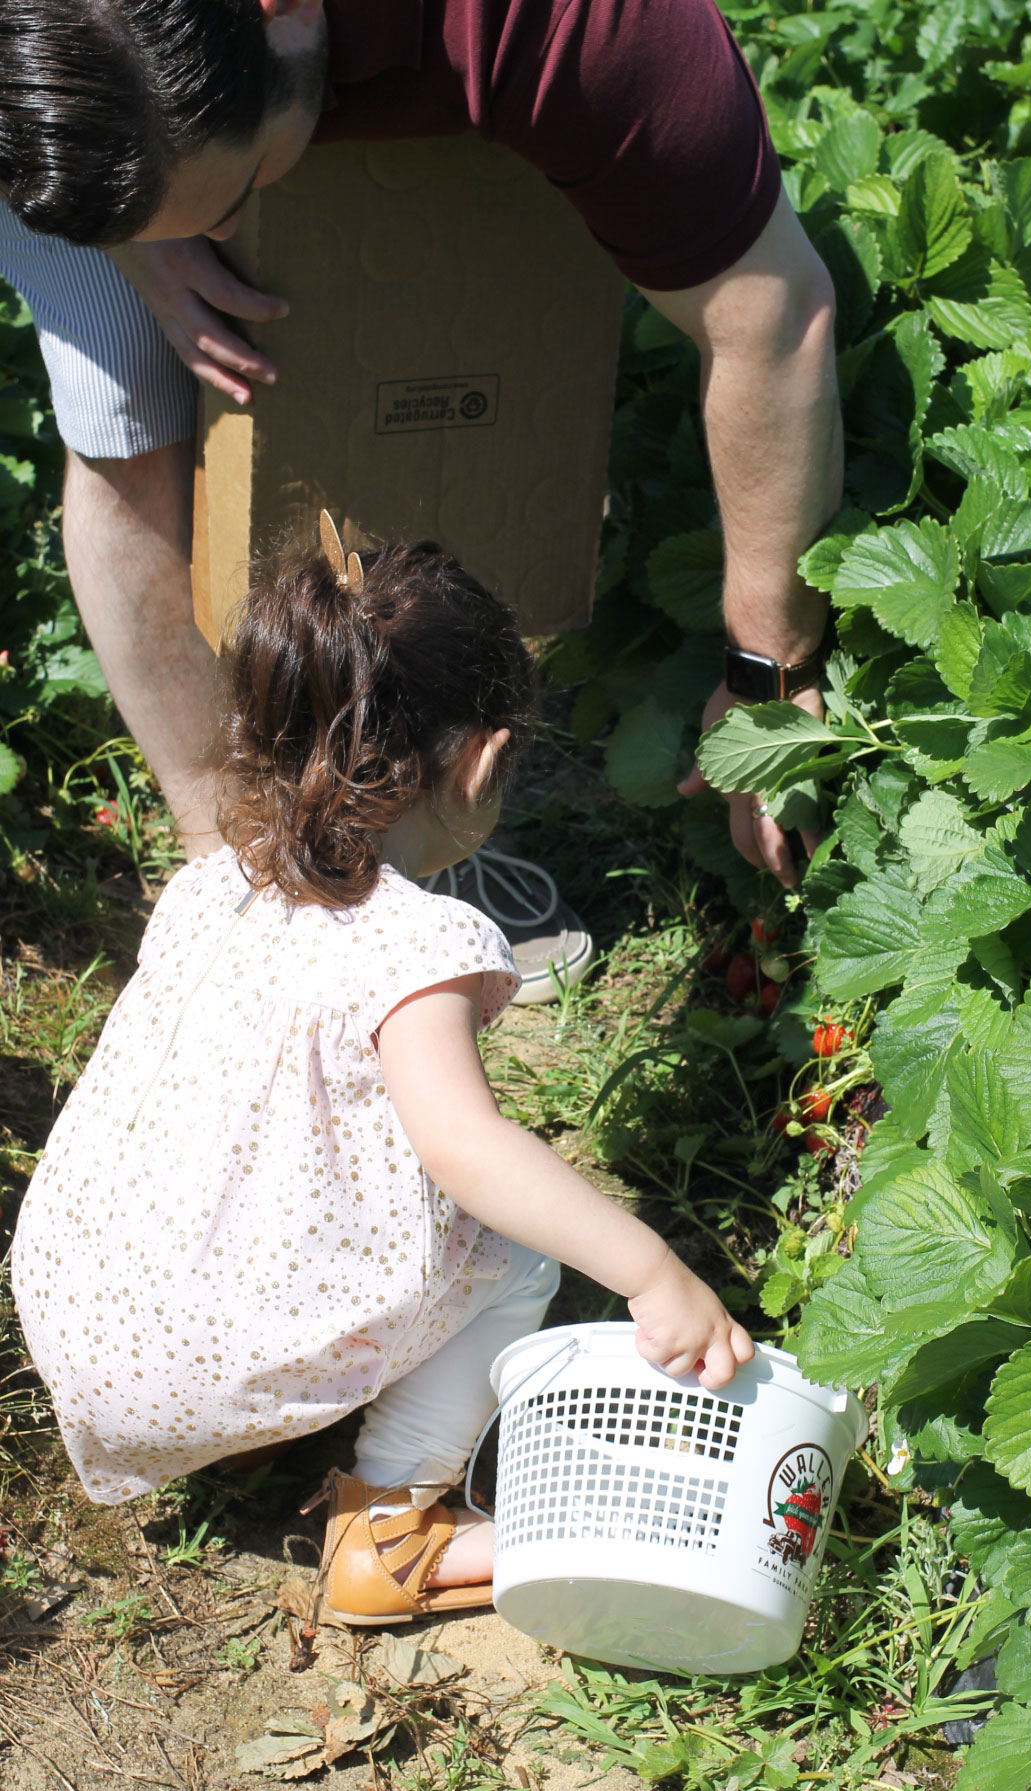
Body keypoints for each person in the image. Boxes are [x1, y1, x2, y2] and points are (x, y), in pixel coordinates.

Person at [0, 0, 842, 991]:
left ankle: (395, 839)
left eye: (232, 195)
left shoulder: (586, 28)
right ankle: (241, 880)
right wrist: (138, 230)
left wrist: (766, 670)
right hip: (77, 90)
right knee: (131, 408)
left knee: (407, 375)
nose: (233, 233)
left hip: (414, 55)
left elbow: (768, 321)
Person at [8, 521, 755, 1625]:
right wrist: (649, 1271)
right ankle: (390, 1528)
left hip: (72, 1318)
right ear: (483, 759)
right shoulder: (415, 944)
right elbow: (466, 1148)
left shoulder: (212, 883)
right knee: (505, 1255)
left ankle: (230, 1418)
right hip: (188, 1370)